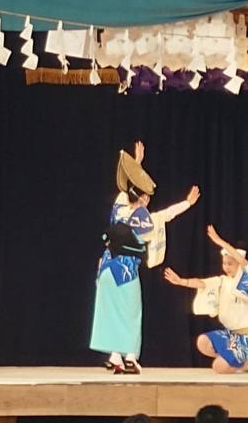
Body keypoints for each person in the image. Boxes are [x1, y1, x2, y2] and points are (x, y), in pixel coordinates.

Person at [90, 141, 200, 374]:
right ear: (145, 198)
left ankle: (114, 355)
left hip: (107, 267)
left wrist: (136, 164)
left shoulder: (119, 209)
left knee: (110, 312)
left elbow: (126, 187)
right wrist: (187, 203)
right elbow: (166, 216)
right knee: (131, 313)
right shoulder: (147, 220)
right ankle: (129, 357)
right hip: (126, 272)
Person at [165, 225, 248, 374]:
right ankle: (234, 360)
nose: (226, 267)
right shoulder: (222, 281)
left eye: (230, 263)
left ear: (238, 263)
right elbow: (202, 283)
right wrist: (181, 281)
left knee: (218, 367)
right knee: (202, 342)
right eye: (224, 263)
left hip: (246, 338)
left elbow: (243, 263)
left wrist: (220, 241)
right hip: (230, 335)